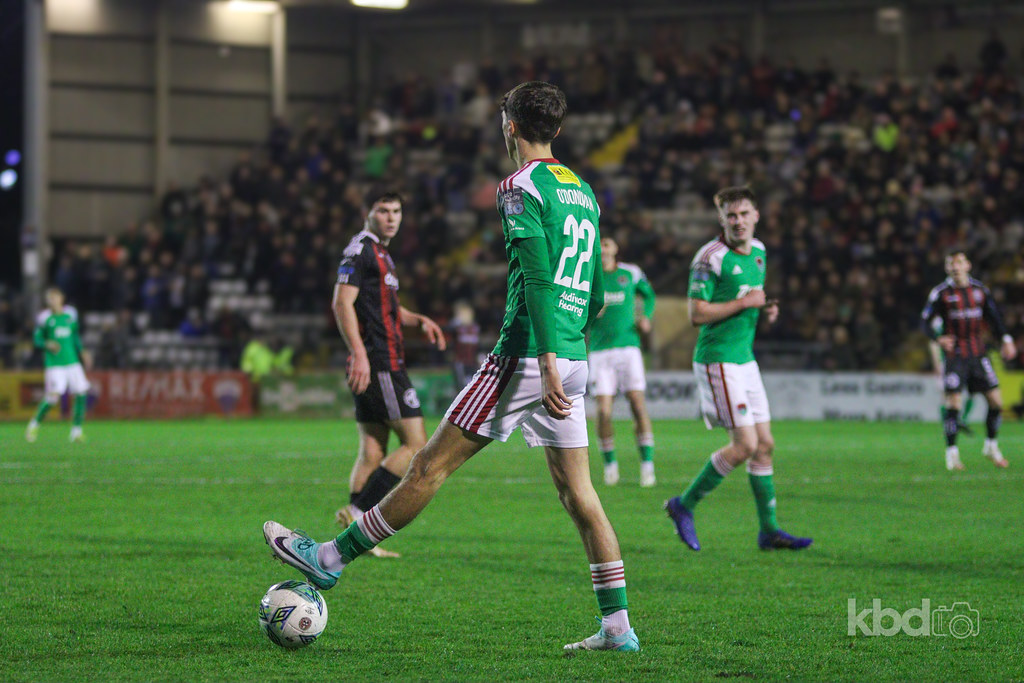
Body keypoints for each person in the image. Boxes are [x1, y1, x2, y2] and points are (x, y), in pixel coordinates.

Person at [264, 81, 639, 653]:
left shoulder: (518, 186)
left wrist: (543, 357)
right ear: (556, 131)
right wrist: (567, 350)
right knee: (579, 494)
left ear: (509, 126)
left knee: (426, 467)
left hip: (525, 358)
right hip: (572, 356)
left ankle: (330, 558)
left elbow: (539, 276)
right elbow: (591, 291)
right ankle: (618, 628)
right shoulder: (582, 190)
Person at [664, 187, 812, 552]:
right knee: (744, 445)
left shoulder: (759, 252)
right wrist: (745, 302)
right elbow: (697, 313)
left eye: (744, 214)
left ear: (756, 215)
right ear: (721, 219)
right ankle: (683, 505)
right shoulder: (709, 258)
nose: (738, 221)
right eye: (731, 215)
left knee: (764, 446)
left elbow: (750, 299)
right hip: (718, 359)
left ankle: (769, 530)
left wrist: (763, 309)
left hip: (745, 359)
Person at [331, 189, 447, 559]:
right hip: (381, 361)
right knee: (416, 445)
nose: (391, 217)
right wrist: (360, 354)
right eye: (383, 211)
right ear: (368, 213)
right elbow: (341, 302)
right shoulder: (360, 250)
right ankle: (360, 512)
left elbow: (389, 308)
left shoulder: (381, 252)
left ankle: (359, 538)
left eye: (396, 211)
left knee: (372, 449)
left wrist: (418, 320)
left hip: (377, 359)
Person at [920, 247, 1017, 470]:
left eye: (958, 262)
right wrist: (938, 338)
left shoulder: (980, 290)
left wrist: (1006, 339)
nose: (954, 267)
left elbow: (994, 318)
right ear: (946, 268)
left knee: (996, 401)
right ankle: (952, 454)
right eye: (950, 264)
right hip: (955, 356)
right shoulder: (941, 293)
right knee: (953, 403)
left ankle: (991, 446)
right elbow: (924, 322)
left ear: (967, 265)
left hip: (978, 353)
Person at [587, 236, 657, 487]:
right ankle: (610, 466)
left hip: (629, 348)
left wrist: (645, 316)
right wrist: (590, 311)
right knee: (603, 412)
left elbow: (648, 296)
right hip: (599, 351)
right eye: (600, 245)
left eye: (607, 244)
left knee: (637, 404)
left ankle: (647, 466)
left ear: (616, 248)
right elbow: (576, 310)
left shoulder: (631, 273)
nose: (603, 249)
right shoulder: (588, 275)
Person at [25, 287, 91, 443]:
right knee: (53, 398)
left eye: (54, 297)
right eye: (49, 298)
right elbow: (37, 339)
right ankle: (34, 424)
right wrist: (47, 343)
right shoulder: (45, 318)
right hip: (55, 364)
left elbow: (75, 336)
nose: (52, 301)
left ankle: (76, 432)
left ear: (62, 298)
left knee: (81, 393)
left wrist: (82, 351)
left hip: (73, 362)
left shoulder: (71, 314)